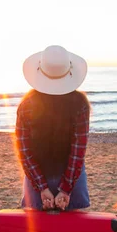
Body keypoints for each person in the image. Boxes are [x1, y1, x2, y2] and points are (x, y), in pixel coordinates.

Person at [15, 45, 91, 211]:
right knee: (72, 231)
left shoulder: (26, 106)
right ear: (69, 72)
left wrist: (42, 187)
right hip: (72, 174)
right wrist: (66, 188)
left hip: (36, 174)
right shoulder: (80, 105)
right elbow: (77, 153)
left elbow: (25, 152)